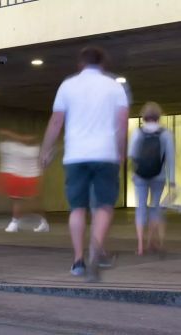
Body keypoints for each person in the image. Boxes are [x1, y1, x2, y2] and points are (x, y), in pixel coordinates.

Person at [40, 46, 129, 282]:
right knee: (104, 206)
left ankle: (78, 261)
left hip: (75, 155)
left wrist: (45, 150)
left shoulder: (67, 86)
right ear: (103, 64)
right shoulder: (115, 87)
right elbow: (121, 123)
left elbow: (56, 121)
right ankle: (95, 253)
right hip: (105, 154)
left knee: (77, 208)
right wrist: (121, 152)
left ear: (80, 64)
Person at [128, 102, 175, 256]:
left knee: (140, 208)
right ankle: (151, 242)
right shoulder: (166, 134)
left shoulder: (137, 132)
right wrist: (172, 181)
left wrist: (133, 172)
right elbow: (170, 159)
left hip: (140, 175)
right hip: (159, 176)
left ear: (144, 116)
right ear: (159, 116)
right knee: (155, 207)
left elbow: (132, 155)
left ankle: (141, 246)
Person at [0, 129, 49, 233]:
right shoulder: (11, 147)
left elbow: (31, 142)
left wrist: (11, 134)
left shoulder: (34, 150)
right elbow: (2, 139)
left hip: (31, 178)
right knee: (17, 201)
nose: (27, 139)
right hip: (19, 178)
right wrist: (13, 136)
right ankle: (15, 223)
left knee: (34, 204)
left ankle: (42, 223)